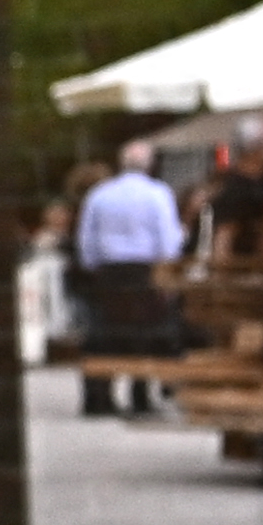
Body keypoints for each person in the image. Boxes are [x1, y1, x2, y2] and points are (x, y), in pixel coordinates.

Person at [67, 124, 192, 417]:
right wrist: (168, 269)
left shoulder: (100, 194)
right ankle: (140, 394)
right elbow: (168, 238)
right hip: (145, 272)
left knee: (106, 332)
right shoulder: (158, 194)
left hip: (109, 273)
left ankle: (99, 397)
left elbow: (86, 239)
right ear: (149, 164)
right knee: (147, 332)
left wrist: (93, 266)